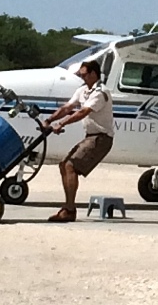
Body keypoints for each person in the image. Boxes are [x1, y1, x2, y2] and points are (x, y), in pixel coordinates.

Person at [44, 59, 114, 221]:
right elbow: (67, 108)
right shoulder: (83, 90)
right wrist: (49, 120)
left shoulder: (100, 93)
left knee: (70, 166)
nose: (82, 78)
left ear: (93, 74)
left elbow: (83, 112)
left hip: (101, 138)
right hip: (91, 136)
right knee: (64, 165)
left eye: (84, 75)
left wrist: (61, 124)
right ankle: (68, 208)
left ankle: (69, 210)